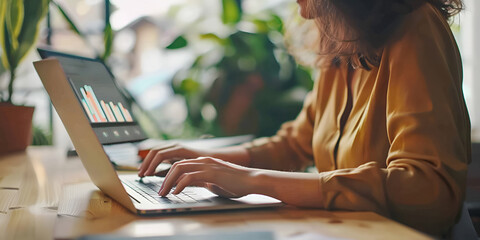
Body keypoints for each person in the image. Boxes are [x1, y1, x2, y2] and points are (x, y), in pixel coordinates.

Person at [138, 0, 469, 237]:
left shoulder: (416, 26)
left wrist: (253, 180)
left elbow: (430, 191)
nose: (300, 6)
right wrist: (201, 160)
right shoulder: (343, 40)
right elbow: (295, 143)